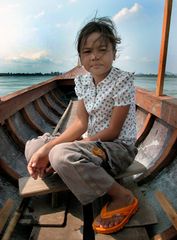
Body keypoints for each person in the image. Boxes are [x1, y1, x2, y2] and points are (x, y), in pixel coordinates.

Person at [25, 17, 138, 234]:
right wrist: (46, 149)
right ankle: (69, 167)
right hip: (93, 146)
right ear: (80, 57)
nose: (94, 56)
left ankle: (122, 196)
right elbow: (80, 124)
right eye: (87, 51)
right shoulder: (83, 82)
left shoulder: (122, 81)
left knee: (59, 154)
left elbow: (113, 131)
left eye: (102, 49)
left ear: (114, 53)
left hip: (117, 148)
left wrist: (68, 148)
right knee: (34, 147)